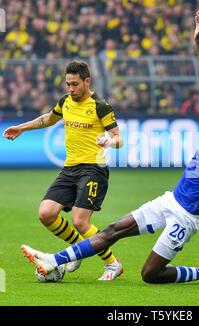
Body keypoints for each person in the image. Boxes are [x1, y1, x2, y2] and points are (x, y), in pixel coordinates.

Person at [21, 11, 199, 285]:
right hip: (170, 199)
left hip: (187, 217)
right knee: (112, 230)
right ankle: (53, 259)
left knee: (149, 275)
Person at [3, 61, 124, 280]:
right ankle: (79, 249)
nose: (70, 89)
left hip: (93, 169)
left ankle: (112, 263)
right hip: (69, 169)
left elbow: (119, 138)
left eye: (75, 84)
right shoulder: (66, 101)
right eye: (68, 84)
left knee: (80, 221)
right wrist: (21, 128)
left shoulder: (100, 105)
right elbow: (48, 119)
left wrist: (108, 141)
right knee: (46, 214)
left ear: (87, 82)